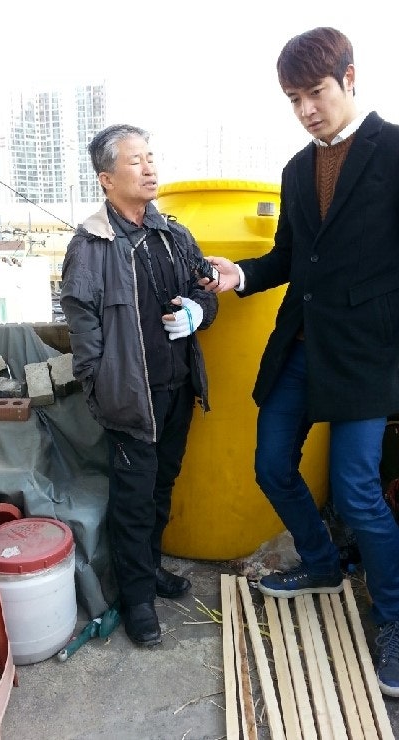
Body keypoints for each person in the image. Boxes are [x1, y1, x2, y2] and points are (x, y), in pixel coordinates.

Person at [200, 27, 399, 696]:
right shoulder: (294, 169)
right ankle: (321, 563)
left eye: (315, 92)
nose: (307, 109)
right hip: (300, 345)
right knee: (271, 467)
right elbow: (288, 255)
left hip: (366, 356)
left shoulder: (394, 151)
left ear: (350, 79)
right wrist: (241, 275)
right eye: (293, 99)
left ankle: (394, 616)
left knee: (357, 491)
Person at [60, 124, 218, 647]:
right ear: (106, 178)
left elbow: (206, 288)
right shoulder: (91, 247)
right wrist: (101, 388)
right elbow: (83, 330)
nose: (149, 168)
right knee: (132, 501)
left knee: (161, 487)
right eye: (135, 160)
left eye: (151, 157)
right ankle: (136, 601)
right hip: (131, 397)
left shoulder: (174, 234)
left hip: (177, 388)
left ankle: (148, 569)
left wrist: (199, 311)